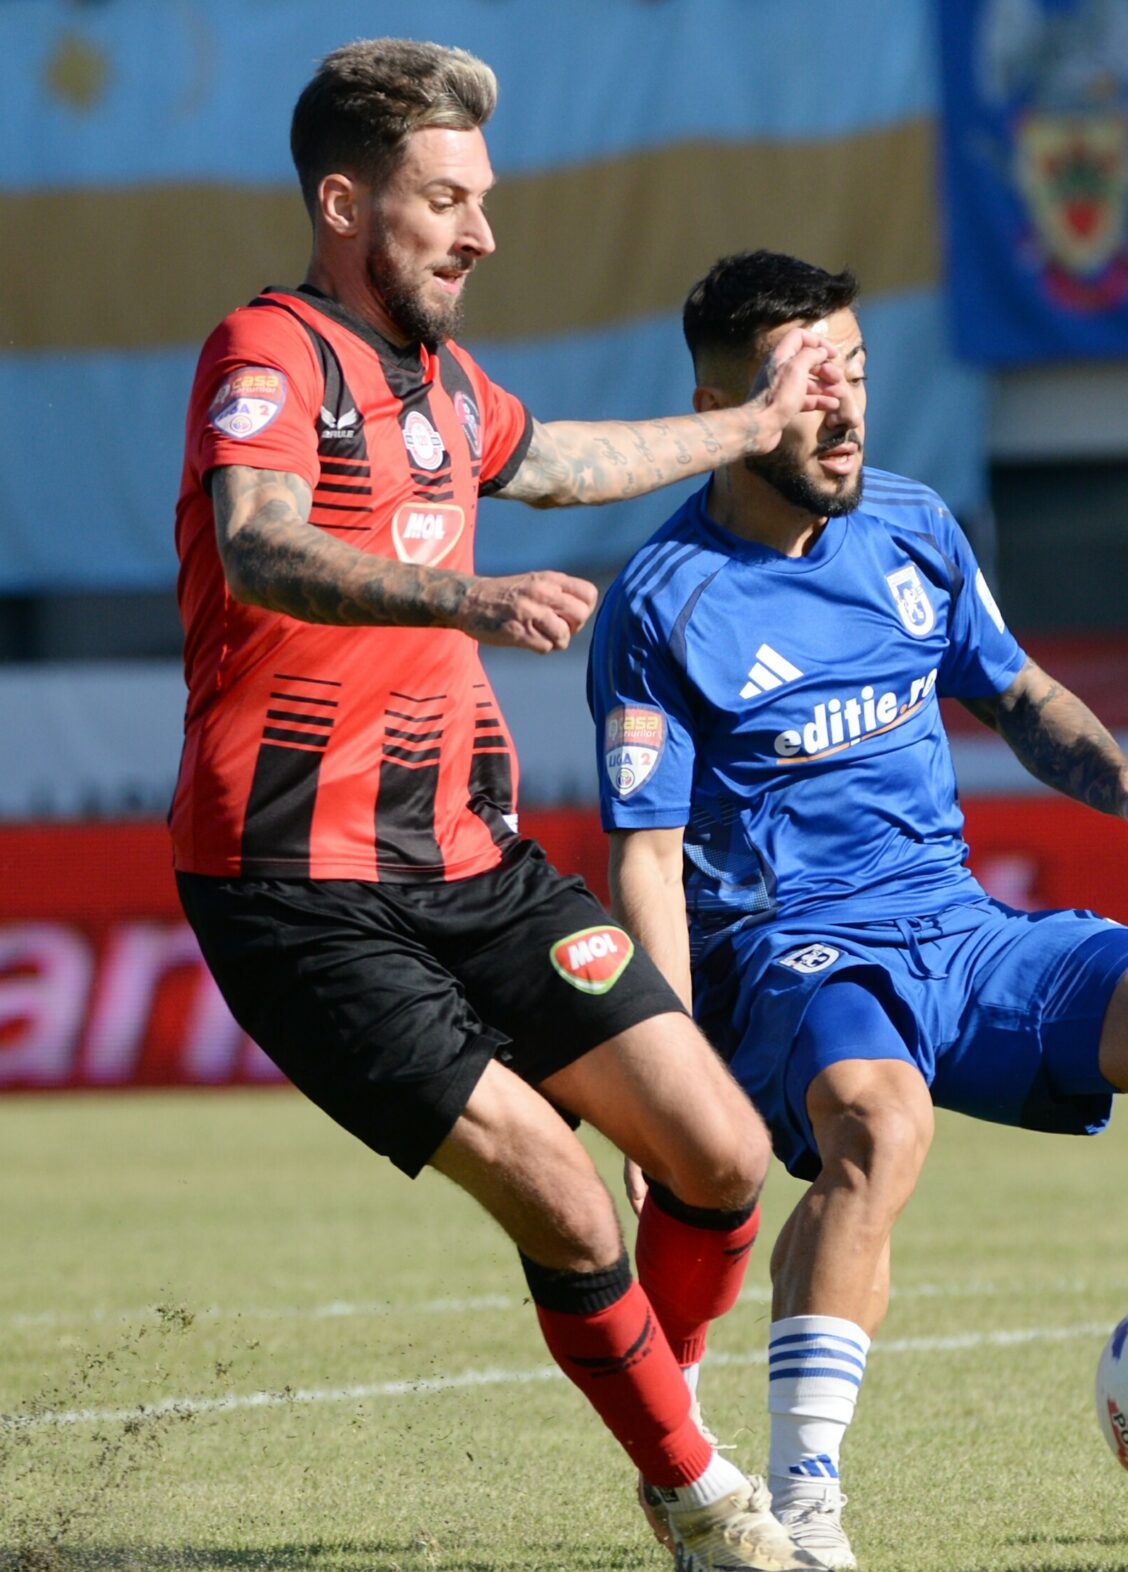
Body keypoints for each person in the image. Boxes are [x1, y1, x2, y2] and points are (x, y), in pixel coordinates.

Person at [170, 39, 850, 1572]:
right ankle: (701, 1501)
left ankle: (651, 1414)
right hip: (296, 888)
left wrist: (748, 427)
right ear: (346, 202)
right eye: (446, 199)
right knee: (561, 1189)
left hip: (468, 862)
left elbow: (567, 457)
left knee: (724, 1154)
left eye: (483, 198)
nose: (480, 232)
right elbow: (264, 544)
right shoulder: (268, 353)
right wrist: (461, 597)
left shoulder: (444, 384)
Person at [584, 249, 1128, 1569]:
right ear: (722, 405)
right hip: (791, 951)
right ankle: (800, 1512)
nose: (846, 407)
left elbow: (1015, 697)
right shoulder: (660, 604)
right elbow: (647, 859)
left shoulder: (912, 527)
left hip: (954, 927)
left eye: (855, 371)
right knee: (879, 1120)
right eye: (807, 384)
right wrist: (659, 1059)